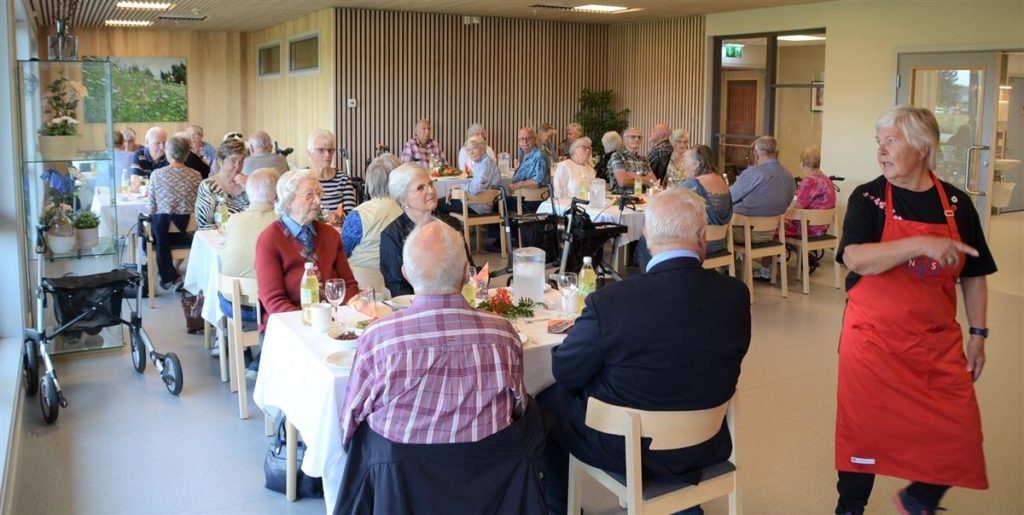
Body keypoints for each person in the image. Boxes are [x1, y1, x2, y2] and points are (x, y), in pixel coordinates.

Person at [537, 186, 751, 514]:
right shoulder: (736, 296)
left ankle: (559, 508)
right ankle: (682, 506)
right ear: (702, 235)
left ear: (647, 236)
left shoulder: (612, 302)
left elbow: (566, 374)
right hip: (705, 443)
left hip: (628, 448)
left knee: (546, 401)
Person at [833, 106, 996, 515]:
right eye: (879, 143)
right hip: (872, 337)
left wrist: (979, 335)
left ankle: (919, 498)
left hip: (934, 341)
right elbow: (855, 258)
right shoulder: (868, 197)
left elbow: (974, 274)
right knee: (863, 432)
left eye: (891, 141)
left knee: (959, 427)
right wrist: (920, 243)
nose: (881, 152)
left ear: (923, 147)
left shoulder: (957, 204)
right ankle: (849, 508)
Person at [341, 221, 526, 445]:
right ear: (467, 272)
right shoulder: (503, 334)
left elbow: (349, 420)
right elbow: (519, 406)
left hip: (399, 475)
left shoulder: (378, 338)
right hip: (491, 473)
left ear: (406, 274)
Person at [254, 169, 359, 330]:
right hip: (287, 326)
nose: (318, 200)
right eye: (309, 195)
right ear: (288, 201)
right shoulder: (270, 239)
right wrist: (310, 324)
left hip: (333, 323)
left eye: (318, 193)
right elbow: (274, 301)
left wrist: (342, 317)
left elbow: (348, 284)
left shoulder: (330, 234)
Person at [379, 164, 469, 297]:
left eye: (431, 184)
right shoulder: (392, 235)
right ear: (403, 200)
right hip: (416, 309)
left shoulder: (451, 224)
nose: (431, 191)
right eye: (421, 188)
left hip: (456, 303)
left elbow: (470, 270)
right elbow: (398, 290)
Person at [219, 167, 280, 323]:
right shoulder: (282, 223)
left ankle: (228, 339)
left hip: (232, 304)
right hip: (268, 306)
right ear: (277, 194)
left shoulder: (233, 220)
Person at [729, 135, 796, 278]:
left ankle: (725, 272)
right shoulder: (789, 176)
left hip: (743, 233)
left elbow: (729, 197)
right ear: (777, 153)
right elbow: (788, 202)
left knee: (718, 227)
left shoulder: (753, 173)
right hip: (770, 233)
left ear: (756, 153)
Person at [147, 134, 202, 291]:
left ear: (168, 153)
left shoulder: (157, 175)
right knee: (184, 226)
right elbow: (199, 204)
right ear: (187, 153)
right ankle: (175, 270)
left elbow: (151, 208)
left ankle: (169, 272)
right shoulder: (196, 175)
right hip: (188, 232)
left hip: (163, 234)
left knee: (149, 228)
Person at [342, 154, 403, 293]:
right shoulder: (409, 211)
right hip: (400, 292)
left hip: (361, 290)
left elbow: (342, 253)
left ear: (369, 181)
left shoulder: (358, 215)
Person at [680, 144, 733, 254]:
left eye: (685, 162)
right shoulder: (722, 181)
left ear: (695, 165)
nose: (683, 166)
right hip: (720, 242)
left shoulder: (692, 184)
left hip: (698, 245)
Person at [193, 138, 250, 230]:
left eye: (241, 161)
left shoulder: (249, 183)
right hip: (219, 240)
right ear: (220, 161)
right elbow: (204, 225)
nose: (238, 166)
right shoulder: (208, 186)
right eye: (233, 160)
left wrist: (250, 188)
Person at [439, 137, 502, 215]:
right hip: (478, 203)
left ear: (482, 149)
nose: (471, 153)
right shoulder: (482, 162)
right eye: (468, 150)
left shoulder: (485, 164)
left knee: (438, 204)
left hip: (478, 206)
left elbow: (476, 188)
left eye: (474, 148)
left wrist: (459, 188)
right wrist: (458, 187)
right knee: (446, 200)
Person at [784, 146, 836, 238]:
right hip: (822, 228)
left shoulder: (809, 180)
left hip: (807, 228)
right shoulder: (827, 180)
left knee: (773, 227)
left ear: (802, 163)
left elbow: (799, 206)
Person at [306, 128, 357, 216]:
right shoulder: (300, 178)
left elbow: (351, 216)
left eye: (330, 150)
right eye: (321, 150)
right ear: (309, 153)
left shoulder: (343, 179)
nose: (327, 155)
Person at [506, 127, 550, 214]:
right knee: (499, 202)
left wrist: (517, 185)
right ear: (519, 142)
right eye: (522, 139)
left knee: (497, 205)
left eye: (528, 138)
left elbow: (536, 182)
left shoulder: (539, 156)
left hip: (533, 202)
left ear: (534, 139)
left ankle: (510, 227)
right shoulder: (524, 154)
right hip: (522, 199)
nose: (525, 141)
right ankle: (513, 227)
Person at [609, 126, 653, 191]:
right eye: (633, 137)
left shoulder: (643, 159)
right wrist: (645, 180)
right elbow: (623, 182)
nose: (637, 139)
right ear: (625, 140)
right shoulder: (617, 156)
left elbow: (653, 181)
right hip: (623, 198)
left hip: (643, 199)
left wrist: (633, 175)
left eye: (639, 137)